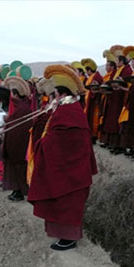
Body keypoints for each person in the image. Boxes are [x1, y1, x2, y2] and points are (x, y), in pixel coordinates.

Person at [28, 65, 97, 251]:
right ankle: (63, 235)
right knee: (62, 202)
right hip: (69, 168)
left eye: (55, 93)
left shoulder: (70, 112)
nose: (54, 97)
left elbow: (61, 140)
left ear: (61, 93)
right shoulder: (67, 108)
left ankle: (69, 238)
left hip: (71, 170)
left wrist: (42, 144)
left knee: (67, 203)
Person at [2, 77, 33, 201]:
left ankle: (19, 192)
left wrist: (7, 120)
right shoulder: (22, 107)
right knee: (17, 169)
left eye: (11, 93)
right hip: (19, 146)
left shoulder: (22, 109)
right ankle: (17, 190)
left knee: (18, 169)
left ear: (15, 94)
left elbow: (17, 128)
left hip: (18, 147)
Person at [81, 58, 104, 144]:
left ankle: (93, 136)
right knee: (89, 118)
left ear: (90, 70)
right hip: (89, 101)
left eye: (87, 70)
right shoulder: (91, 77)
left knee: (93, 119)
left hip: (94, 102)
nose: (86, 72)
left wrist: (92, 93)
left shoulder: (96, 77)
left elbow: (97, 88)